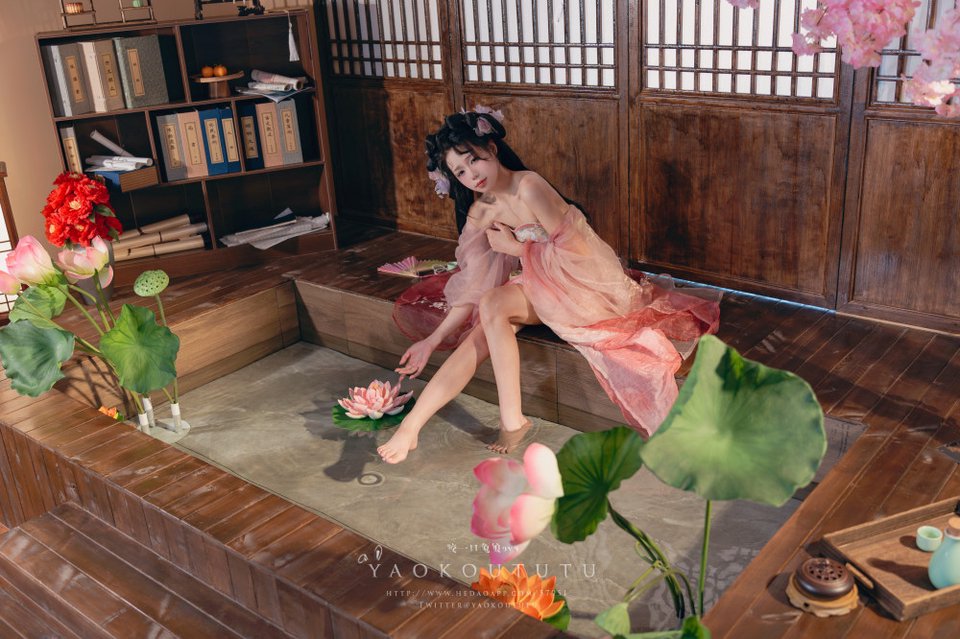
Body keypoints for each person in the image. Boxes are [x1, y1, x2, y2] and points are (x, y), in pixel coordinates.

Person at [376, 107, 720, 464]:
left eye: (473, 160)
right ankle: (416, 427)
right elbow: (473, 285)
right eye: (459, 171)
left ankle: (508, 420)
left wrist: (516, 248)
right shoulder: (482, 210)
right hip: (539, 282)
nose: (471, 175)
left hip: (584, 284)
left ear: (491, 148)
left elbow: (579, 252)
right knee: (485, 319)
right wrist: (432, 341)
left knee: (493, 307)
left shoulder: (529, 186)